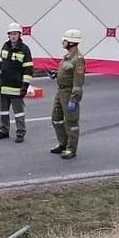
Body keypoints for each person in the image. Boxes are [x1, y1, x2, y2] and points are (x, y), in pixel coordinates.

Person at [0, 22, 33, 142]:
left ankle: (20, 133)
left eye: (15, 34)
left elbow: (28, 69)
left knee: (18, 112)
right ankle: (3, 130)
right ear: (8, 35)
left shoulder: (24, 49)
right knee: (3, 111)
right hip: (4, 85)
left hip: (16, 86)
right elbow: (0, 64)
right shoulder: (5, 46)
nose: (13, 36)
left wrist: (25, 86)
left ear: (19, 35)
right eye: (11, 34)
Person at [49, 29, 85, 160]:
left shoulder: (78, 60)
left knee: (71, 122)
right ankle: (63, 144)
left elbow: (78, 82)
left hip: (69, 93)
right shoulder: (68, 57)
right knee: (56, 119)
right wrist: (55, 74)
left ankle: (71, 148)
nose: (62, 42)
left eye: (65, 40)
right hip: (60, 91)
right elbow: (66, 72)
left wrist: (74, 100)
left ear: (71, 42)